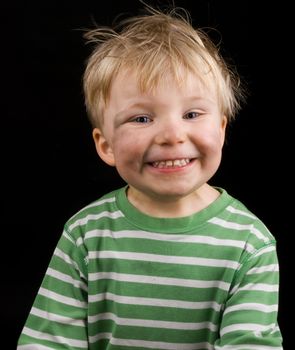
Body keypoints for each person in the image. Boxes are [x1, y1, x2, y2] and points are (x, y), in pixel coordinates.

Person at [17, 5, 283, 350]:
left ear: (220, 130)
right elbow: (48, 342)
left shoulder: (249, 242)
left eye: (191, 113)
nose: (172, 135)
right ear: (106, 145)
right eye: (142, 118)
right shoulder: (86, 234)